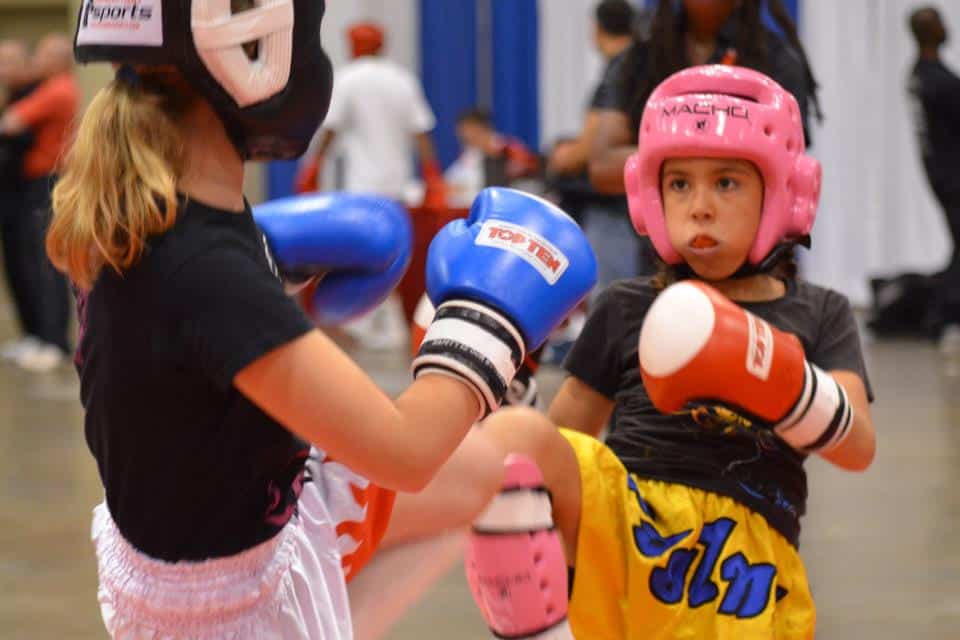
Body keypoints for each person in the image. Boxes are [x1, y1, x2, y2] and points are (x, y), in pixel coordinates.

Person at [47, 1, 596, 638]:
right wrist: (484, 322)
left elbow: (185, 354)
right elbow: (408, 453)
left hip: (222, 540)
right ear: (246, 53)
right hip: (236, 606)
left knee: (507, 451)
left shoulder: (142, 216)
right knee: (496, 445)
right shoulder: (206, 270)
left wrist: (282, 286)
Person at [465, 65, 875, 639]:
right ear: (650, 195)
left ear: (784, 192)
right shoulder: (629, 304)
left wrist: (779, 376)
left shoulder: (818, 310)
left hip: (742, 564)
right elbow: (559, 446)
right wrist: (499, 380)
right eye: (679, 183)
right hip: (625, 520)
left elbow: (857, 446)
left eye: (726, 183)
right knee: (512, 440)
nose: (699, 206)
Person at [298, 21, 445, 350]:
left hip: (362, 186)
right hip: (398, 185)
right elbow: (422, 133)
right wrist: (432, 173)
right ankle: (387, 328)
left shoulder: (349, 78)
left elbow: (331, 128)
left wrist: (313, 166)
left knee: (359, 256)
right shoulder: (402, 80)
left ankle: (360, 323)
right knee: (395, 255)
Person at [589, 0, 822, 195]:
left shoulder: (777, 61)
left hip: (754, 244)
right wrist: (711, 147)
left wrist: (670, 153)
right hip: (656, 245)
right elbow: (603, 166)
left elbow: (788, 170)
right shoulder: (639, 58)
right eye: (682, 181)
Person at [548, 1, 649, 289]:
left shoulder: (621, 69)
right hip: (639, 207)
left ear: (597, 29)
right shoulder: (645, 63)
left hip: (613, 209)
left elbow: (593, 146)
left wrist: (563, 157)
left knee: (613, 302)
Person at [0, 34, 78, 371]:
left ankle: (55, 341)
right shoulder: (48, 86)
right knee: (30, 263)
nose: (36, 62)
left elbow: (11, 122)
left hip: (47, 183)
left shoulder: (59, 88)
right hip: (34, 184)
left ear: (60, 59)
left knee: (45, 265)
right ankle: (40, 336)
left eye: (43, 55)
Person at [906, 6, 960, 345]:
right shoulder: (939, 81)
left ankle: (943, 312)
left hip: (941, 174)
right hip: (952, 177)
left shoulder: (920, 74)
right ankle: (939, 313)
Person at [0, 39, 38, 362]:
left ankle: (47, 338)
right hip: (13, 192)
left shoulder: (48, 91)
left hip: (35, 190)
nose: (2, 70)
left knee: (35, 265)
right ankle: (32, 334)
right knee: (17, 266)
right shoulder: (13, 96)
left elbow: (13, 128)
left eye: (8, 62)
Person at [444, 108, 541, 208]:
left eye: (466, 130)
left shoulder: (508, 149)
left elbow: (530, 170)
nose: (463, 136)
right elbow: (450, 183)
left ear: (481, 128)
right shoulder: (469, 154)